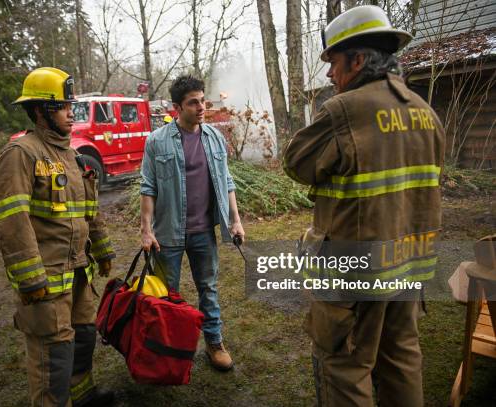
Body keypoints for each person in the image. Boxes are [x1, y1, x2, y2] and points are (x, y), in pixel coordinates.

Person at [283, 6, 445, 407]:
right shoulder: (427, 114)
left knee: (346, 367)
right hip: (409, 264)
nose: (328, 74)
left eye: (333, 62)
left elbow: (297, 163)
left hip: (357, 273)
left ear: (358, 60)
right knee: (402, 358)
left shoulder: (345, 111)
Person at [0, 67, 116, 407]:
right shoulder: (21, 154)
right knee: (53, 353)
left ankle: (83, 395)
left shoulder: (72, 156)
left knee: (84, 336)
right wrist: (30, 278)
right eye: (62, 106)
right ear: (41, 111)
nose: (72, 112)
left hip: (77, 272)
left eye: (70, 104)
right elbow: (10, 220)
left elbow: (90, 209)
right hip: (46, 279)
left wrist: (103, 252)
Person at [139, 74, 245, 371]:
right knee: (167, 297)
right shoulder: (156, 141)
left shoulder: (214, 138)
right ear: (177, 107)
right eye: (193, 102)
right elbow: (148, 187)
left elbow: (226, 181)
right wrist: (146, 231)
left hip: (203, 233)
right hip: (168, 234)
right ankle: (168, 351)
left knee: (208, 289)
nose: (201, 107)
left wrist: (235, 221)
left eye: (203, 100)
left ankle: (214, 342)